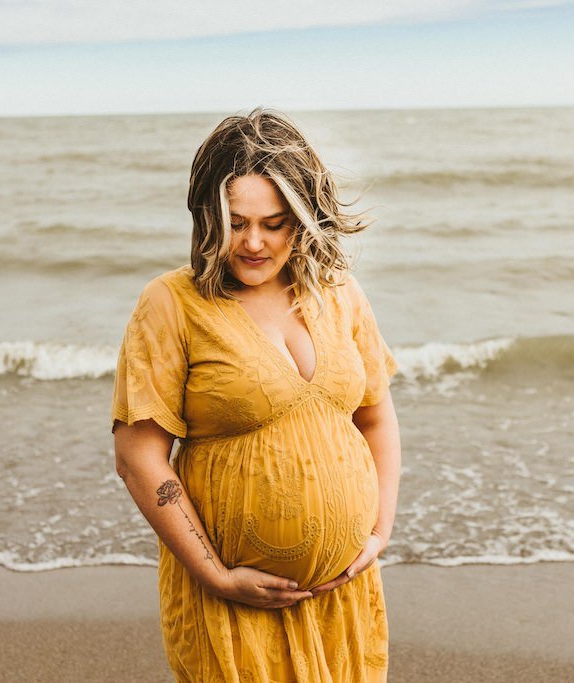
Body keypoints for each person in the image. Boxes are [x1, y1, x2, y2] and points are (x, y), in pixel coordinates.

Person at [111, 108, 401, 682]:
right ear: (207, 217)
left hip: (342, 593)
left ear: (302, 218)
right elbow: (138, 456)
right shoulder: (172, 304)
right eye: (235, 221)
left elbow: (375, 417)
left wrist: (379, 531)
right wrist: (215, 575)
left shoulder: (337, 292)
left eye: (274, 223)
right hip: (231, 600)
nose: (252, 242)